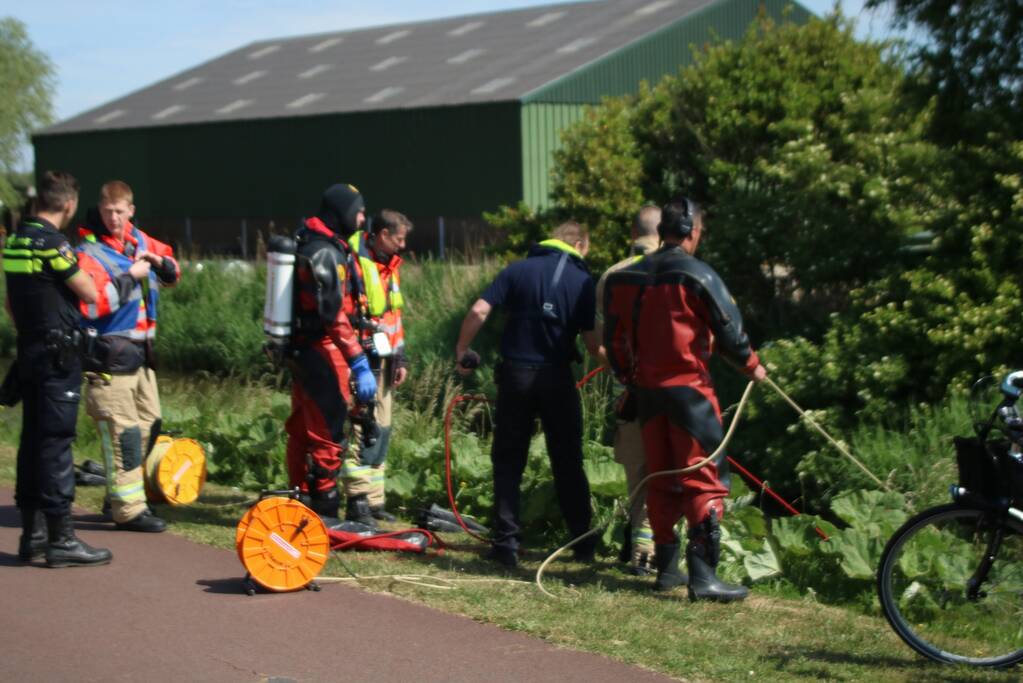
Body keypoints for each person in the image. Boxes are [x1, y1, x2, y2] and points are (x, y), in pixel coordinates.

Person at [604, 197, 766, 602]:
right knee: (704, 479)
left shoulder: (628, 277)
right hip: (690, 393)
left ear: (662, 231)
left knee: (661, 478)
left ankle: (667, 571)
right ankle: (704, 577)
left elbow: (614, 339)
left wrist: (629, 378)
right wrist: (752, 366)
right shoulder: (699, 275)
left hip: (647, 393)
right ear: (693, 231)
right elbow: (730, 331)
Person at [455, 222, 603, 568]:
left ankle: (506, 544)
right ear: (579, 244)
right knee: (567, 459)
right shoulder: (581, 280)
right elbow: (594, 343)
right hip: (556, 377)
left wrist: (463, 348)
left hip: (516, 376)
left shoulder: (517, 269)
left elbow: (479, 310)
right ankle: (582, 542)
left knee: (508, 459)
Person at [2, 170, 111, 567]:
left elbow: (10, 304)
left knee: (32, 442)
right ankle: (62, 539)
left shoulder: (15, 241)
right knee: (56, 444)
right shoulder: (52, 243)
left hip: (29, 351)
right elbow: (87, 290)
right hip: (56, 357)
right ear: (67, 204)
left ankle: (31, 537)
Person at [75, 181, 178, 533]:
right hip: (108, 358)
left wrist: (159, 262)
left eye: (120, 211)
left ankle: (117, 494)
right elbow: (90, 304)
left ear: (131, 210)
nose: (114, 217)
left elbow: (173, 272)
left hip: (141, 358)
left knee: (150, 424)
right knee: (124, 434)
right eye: (108, 211)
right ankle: (128, 509)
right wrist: (129, 277)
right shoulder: (89, 252)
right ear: (100, 211)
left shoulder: (142, 242)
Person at [285, 183, 377, 520]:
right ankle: (324, 510)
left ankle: (297, 501)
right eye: (359, 211)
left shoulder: (319, 243)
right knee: (328, 431)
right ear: (342, 212)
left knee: (301, 428)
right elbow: (332, 314)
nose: (363, 217)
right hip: (322, 351)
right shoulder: (323, 251)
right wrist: (357, 359)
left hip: (304, 350)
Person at [594, 204, 661, 575]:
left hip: (629, 391)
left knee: (637, 473)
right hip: (673, 390)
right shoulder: (678, 270)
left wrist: (621, 373)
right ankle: (659, 553)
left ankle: (639, 551)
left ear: (633, 230)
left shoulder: (612, 276)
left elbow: (600, 341)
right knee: (667, 470)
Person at [342, 209, 412, 525]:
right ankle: (356, 502)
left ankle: (373, 501)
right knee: (364, 429)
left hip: (386, 359)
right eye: (399, 239)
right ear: (383, 235)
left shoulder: (390, 268)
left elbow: (394, 319)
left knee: (382, 428)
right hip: (362, 359)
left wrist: (401, 358)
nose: (403, 245)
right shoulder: (355, 262)